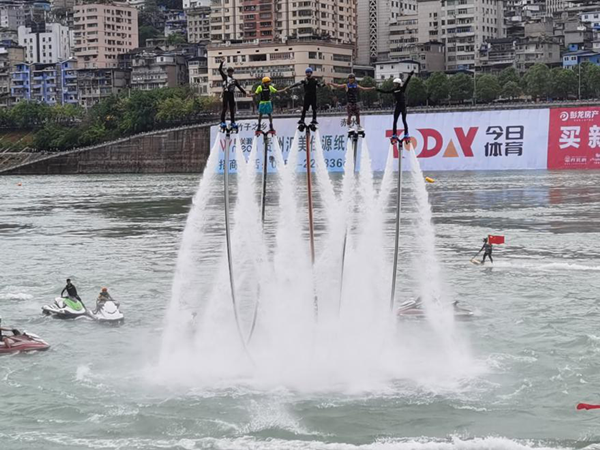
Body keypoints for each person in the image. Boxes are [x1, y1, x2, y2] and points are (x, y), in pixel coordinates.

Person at [376, 71, 414, 142]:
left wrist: (410, 75)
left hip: (403, 106)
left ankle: (406, 133)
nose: (394, 85)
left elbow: (406, 82)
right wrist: (377, 89)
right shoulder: (393, 90)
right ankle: (394, 134)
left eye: (396, 84)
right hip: (397, 106)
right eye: (394, 84)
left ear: (399, 84)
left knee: (404, 120)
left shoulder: (402, 88)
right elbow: (386, 91)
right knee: (395, 121)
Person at [219, 60, 247, 130]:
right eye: (229, 71)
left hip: (231, 94)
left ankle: (232, 122)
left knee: (232, 109)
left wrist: (246, 93)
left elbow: (239, 87)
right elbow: (219, 70)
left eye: (231, 71)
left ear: (232, 72)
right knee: (225, 108)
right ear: (227, 72)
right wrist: (222, 62)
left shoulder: (234, 80)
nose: (230, 73)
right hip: (226, 94)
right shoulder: (225, 77)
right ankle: (222, 122)